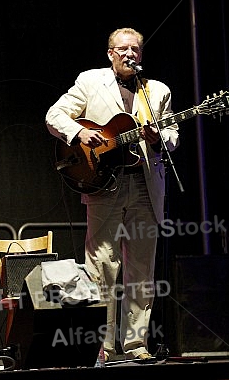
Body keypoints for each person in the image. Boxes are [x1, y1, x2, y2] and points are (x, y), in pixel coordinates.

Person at [45, 27, 179, 362]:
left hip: (145, 185)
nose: (129, 54)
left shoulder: (157, 91)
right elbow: (54, 116)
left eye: (135, 49)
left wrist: (156, 139)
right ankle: (102, 346)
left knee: (141, 269)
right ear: (110, 53)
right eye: (122, 49)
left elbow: (173, 134)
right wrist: (79, 132)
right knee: (102, 265)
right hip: (104, 184)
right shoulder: (91, 81)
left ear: (141, 54)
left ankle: (136, 344)